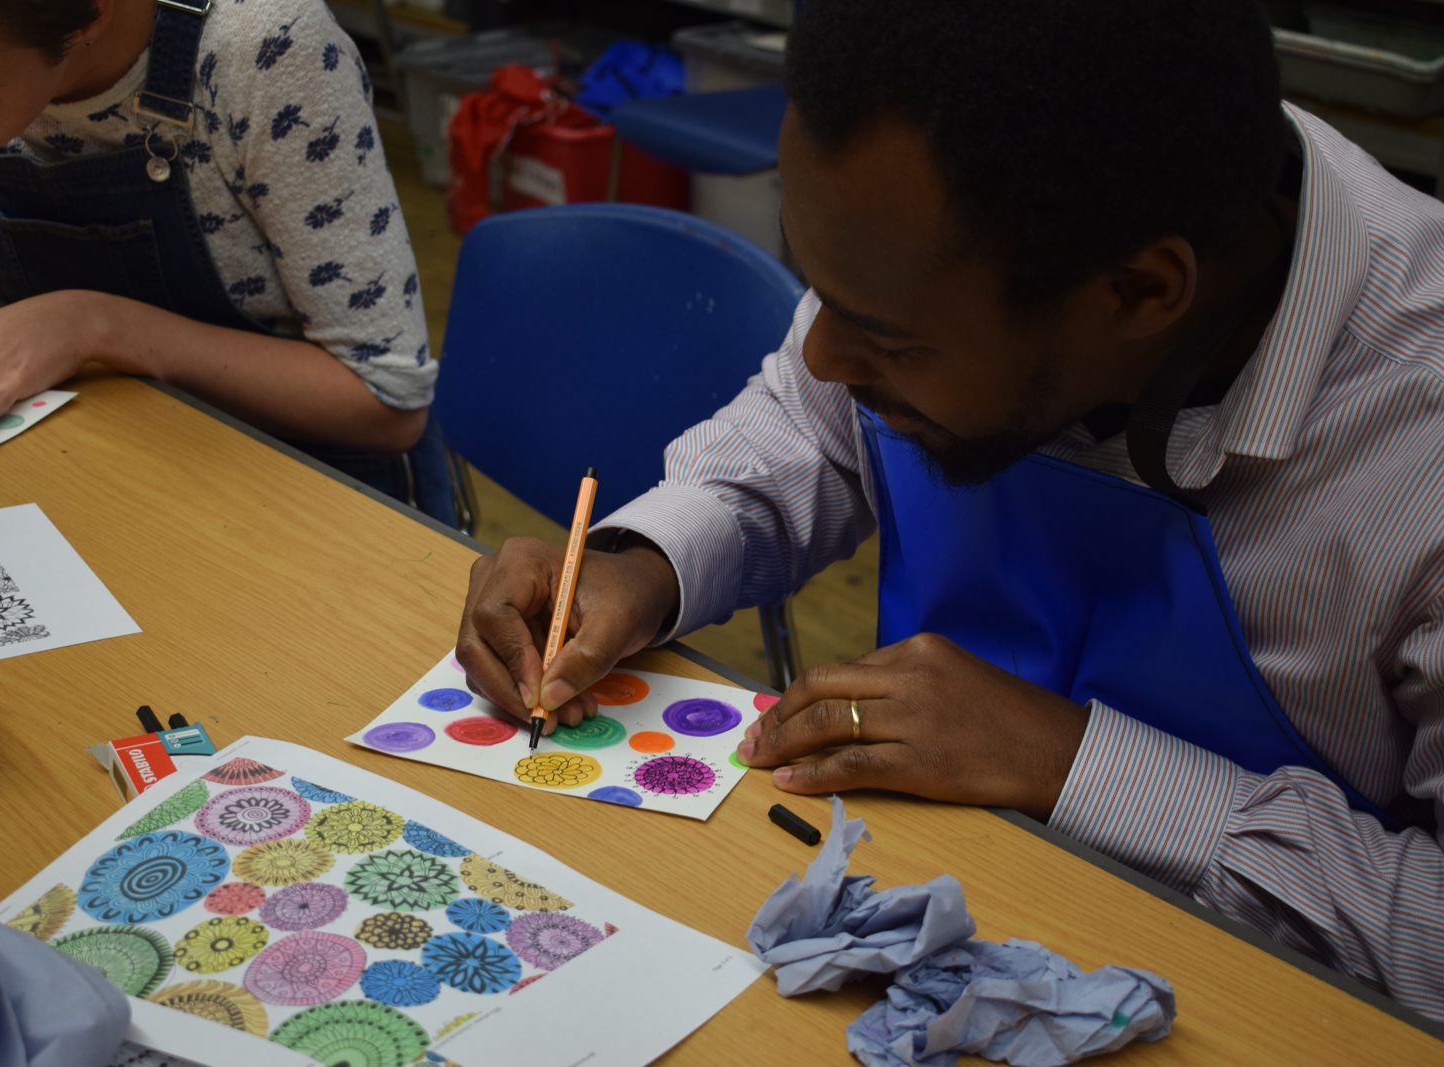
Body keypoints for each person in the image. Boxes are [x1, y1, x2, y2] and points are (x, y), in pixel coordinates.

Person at [456, 0, 1444, 1022]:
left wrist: (1070, 759)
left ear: (1140, 293)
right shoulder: (944, 230)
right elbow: (800, 427)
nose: (823, 357)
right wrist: (638, 561)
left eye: (892, 341)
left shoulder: (1415, 439)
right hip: (914, 921)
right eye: (816, 288)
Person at [0, 0, 455, 522]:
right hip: (105, 456)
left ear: (92, 13)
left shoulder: (264, 47)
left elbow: (387, 401)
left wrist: (96, 327)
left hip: (312, 490)